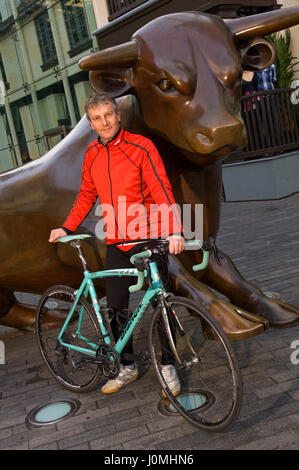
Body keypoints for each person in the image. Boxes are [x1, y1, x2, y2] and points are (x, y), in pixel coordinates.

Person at [49, 92, 185, 395]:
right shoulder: (92, 154)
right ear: (91, 122)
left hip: (149, 235)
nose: (104, 122)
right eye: (97, 118)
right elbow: (87, 193)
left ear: (118, 115)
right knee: (116, 307)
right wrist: (66, 226)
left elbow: (161, 187)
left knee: (161, 301)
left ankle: (168, 365)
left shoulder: (141, 146)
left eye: (108, 114)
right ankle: (127, 367)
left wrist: (175, 229)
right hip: (117, 241)